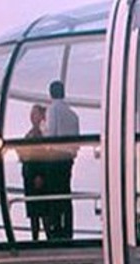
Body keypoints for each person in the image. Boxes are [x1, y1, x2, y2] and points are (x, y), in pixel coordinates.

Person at [44, 80, 79, 240]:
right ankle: (68, 229)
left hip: (55, 156)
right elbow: (76, 142)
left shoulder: (53, 110)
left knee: (54, 193)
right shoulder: (72, 114)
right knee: (66, 192)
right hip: (68, 158)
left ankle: (56, 229)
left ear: (51, 93)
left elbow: (51, 134)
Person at [20, 104, 49, 240]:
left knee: (43, 210)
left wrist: (40, 175)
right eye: (31, 114)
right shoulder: (30, 133)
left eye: (35, 113)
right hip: (29, 174)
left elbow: (44, 154)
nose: (32, 116)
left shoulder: (43, 133)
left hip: (37, 175)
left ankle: (48, 238)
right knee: (33, 212)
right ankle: (35, 238)